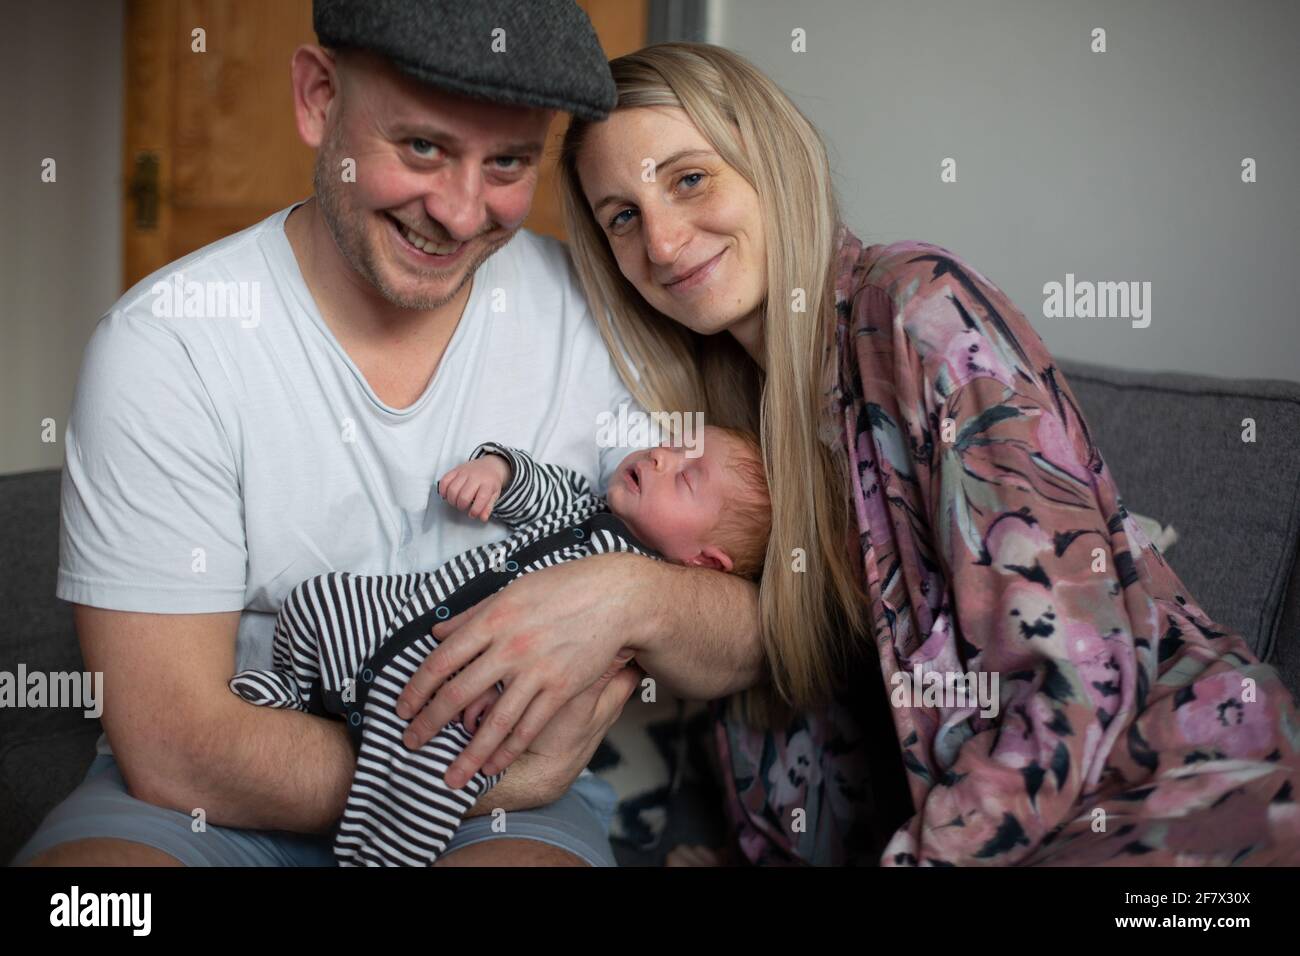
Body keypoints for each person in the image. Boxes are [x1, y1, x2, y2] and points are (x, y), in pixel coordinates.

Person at [14, 4, 766, 868]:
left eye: (508, 162)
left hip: (500, 825)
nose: (456, 212)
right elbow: (174, 744)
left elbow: (753, 623)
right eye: (422, 148)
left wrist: (632, 597)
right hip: (209, 803)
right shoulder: (166, 346)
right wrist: (486, 776)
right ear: (316, 98)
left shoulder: (599, 315)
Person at [547, 40, 1300, 865]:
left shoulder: (919, 310)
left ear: (768, 160)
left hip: (1158, 792)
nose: (659, 242)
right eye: (622, 215)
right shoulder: (726, 438)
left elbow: (1074, 672)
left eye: (689, 178)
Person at [228, 426, 771, 866]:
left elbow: (570, 674)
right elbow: (541, 486)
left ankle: (375, 857)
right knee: (319, 600)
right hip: (397, 612)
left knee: (430, 785)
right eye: (673, 448)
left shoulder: (635, 623)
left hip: (463, 694)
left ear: (705, 562)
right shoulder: (584, 507)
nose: (660, 458)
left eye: (686, 478)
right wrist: (498, 470)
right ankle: (295, 693)